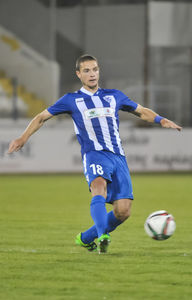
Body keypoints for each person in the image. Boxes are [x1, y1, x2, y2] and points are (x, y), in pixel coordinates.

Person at [8, 54, 182, 254]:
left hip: (118, 157)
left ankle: (86, 238)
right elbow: (41, 117)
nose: (92, 74)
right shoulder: (71, 100)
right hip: (94, 154)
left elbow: (141, 111)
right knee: (98, 187)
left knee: (122, 211)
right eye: (87, 70)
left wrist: (161, 120)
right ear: (79, 74)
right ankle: (102, 236)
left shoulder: (114, 96)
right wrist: (23, 138)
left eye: (95, 69)